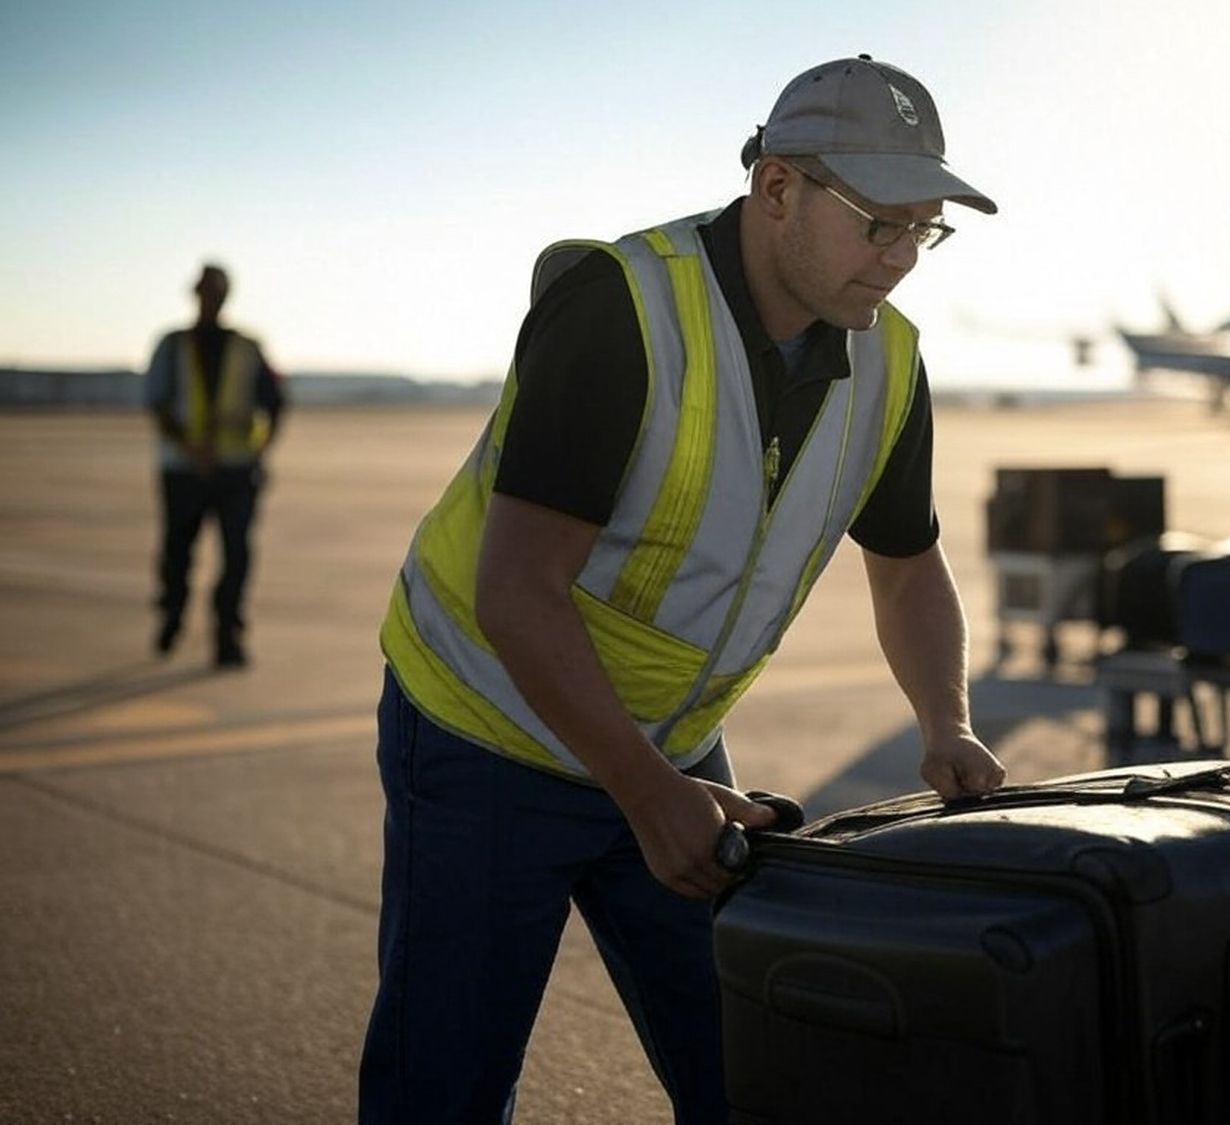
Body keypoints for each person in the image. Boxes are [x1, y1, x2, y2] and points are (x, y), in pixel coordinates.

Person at [359, 55, 1006, 1124]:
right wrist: (646, 791)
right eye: (878, 224)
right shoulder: (619, 308)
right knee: (446, 1086)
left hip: (670, 747)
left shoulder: (888, 358)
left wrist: (948, 721)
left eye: (923, 229)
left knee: (753, 1068)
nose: (900, 261)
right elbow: (517, 589)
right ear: (779, 188)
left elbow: (907, 563)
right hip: (486, 736)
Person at [143, 263, 286, 668]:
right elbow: (157, 403)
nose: (211, 297)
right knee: (176, 550)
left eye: (218, 291)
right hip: (183, 471)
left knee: (236, 555)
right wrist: (190, 448)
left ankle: (228, 635)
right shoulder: (172, 345)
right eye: (206, 290)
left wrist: (260, 452)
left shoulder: (247, 346)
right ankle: (172, 611)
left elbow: (275, 402)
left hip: (236, 470)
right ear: (195, 293)